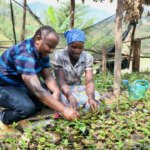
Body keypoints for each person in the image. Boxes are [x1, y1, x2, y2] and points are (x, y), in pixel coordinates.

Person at [0, 26, 79, 127]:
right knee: (27, 108)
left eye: (53, 48)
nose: (51, 51)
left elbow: (48, 77)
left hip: (19, 84)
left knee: (47, 96)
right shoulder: (24, 53)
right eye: (49, 46)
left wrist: (56, 91)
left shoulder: (43, 53)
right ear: (38, 39)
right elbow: (36, 89)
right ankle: (3, 117)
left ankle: (28, 102)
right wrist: (63, 109)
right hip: (4, 86)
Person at [53, 28, 102, 111]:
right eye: (74, 47)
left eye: (80, 47)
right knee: (59, 98)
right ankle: (76, 105)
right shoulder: (59, 55)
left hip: (76, 87)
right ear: (68, 45)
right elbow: (61, 82)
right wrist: (71, 97)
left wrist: (91, 98)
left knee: (95, 95)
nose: (77, 51)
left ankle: (83, 104)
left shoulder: (87, 57)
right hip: (62, 88)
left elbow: (89, 82)